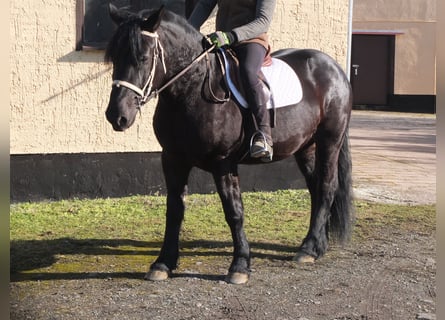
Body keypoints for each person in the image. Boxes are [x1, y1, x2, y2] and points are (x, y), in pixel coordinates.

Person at [188, 0, 276, 161]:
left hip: (251, 41)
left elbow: (263, 21)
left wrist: (232, 36)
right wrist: (188, 29)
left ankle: (264, 135)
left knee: (248, 72)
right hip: (222, 41)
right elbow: (205, 5)